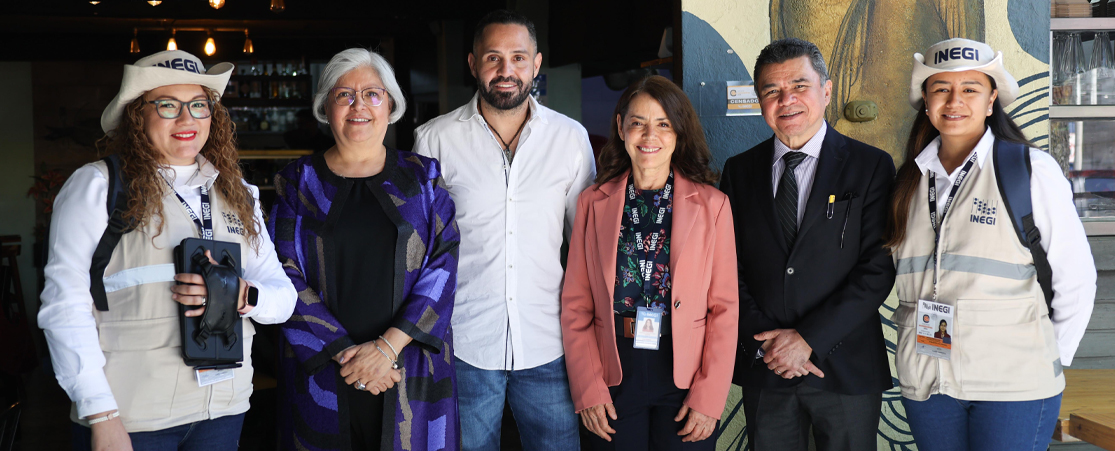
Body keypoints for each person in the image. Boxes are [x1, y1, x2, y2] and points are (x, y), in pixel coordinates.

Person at [38, 49, 297, 450]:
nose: (187, 118)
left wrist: (245, 296)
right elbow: (64, 306)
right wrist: (101, 415)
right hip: (133, 415)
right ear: (137, 115)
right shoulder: (97, 186)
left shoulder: (240, 193)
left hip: (222, 411)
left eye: (198, 104)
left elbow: (283, 298)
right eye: (167, 105)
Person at [887, 38, 1096, 451]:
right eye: (941, 88)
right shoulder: (908, 183)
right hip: (930, 381)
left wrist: (1049, 359)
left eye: (970, 89)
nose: (954, 101)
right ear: (925, 101)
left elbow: (1077, 278)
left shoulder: (1030, 169)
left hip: (1013, 385)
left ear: (991, 99)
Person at [413, 9, 595, 450]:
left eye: (518, 57)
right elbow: (421, 251)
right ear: (473, 64)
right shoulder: (434, 140)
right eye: (493, 58)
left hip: (549, 341)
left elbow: (589, 245)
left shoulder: (570, 139)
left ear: (536, 65)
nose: (506, 70)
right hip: (465, 343)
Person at [270, 48, 461, 451]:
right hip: (323, 370)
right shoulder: (296, 183)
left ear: (390, 105)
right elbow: (281, 273)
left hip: (408, 370)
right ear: (326, 106)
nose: (359, 106)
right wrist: (349, 356)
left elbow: (443, 268)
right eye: (345, 95)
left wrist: (386, 348)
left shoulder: (423, 179)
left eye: (373, 94)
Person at [717, 38, 896, 451]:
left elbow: (877, 268)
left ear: (826, 91)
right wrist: (774, 346)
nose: (787, 100)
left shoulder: (871, 166)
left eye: (800, 86)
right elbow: (727, 268)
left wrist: (808, 339)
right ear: (760, 99)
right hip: (769, 367)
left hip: (845, 365)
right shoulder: (739, 171)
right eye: (772, 91)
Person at [561, 75, 739, 451]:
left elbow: (725, 309)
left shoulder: (713, 205)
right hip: (613, 370)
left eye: (663, 124)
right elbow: (576, 305)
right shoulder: (593, 202)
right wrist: (588, 387)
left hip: (685, 372)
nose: (649, 135)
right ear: (621, 127)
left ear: (679, 133)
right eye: (638, 122)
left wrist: (710, 396)